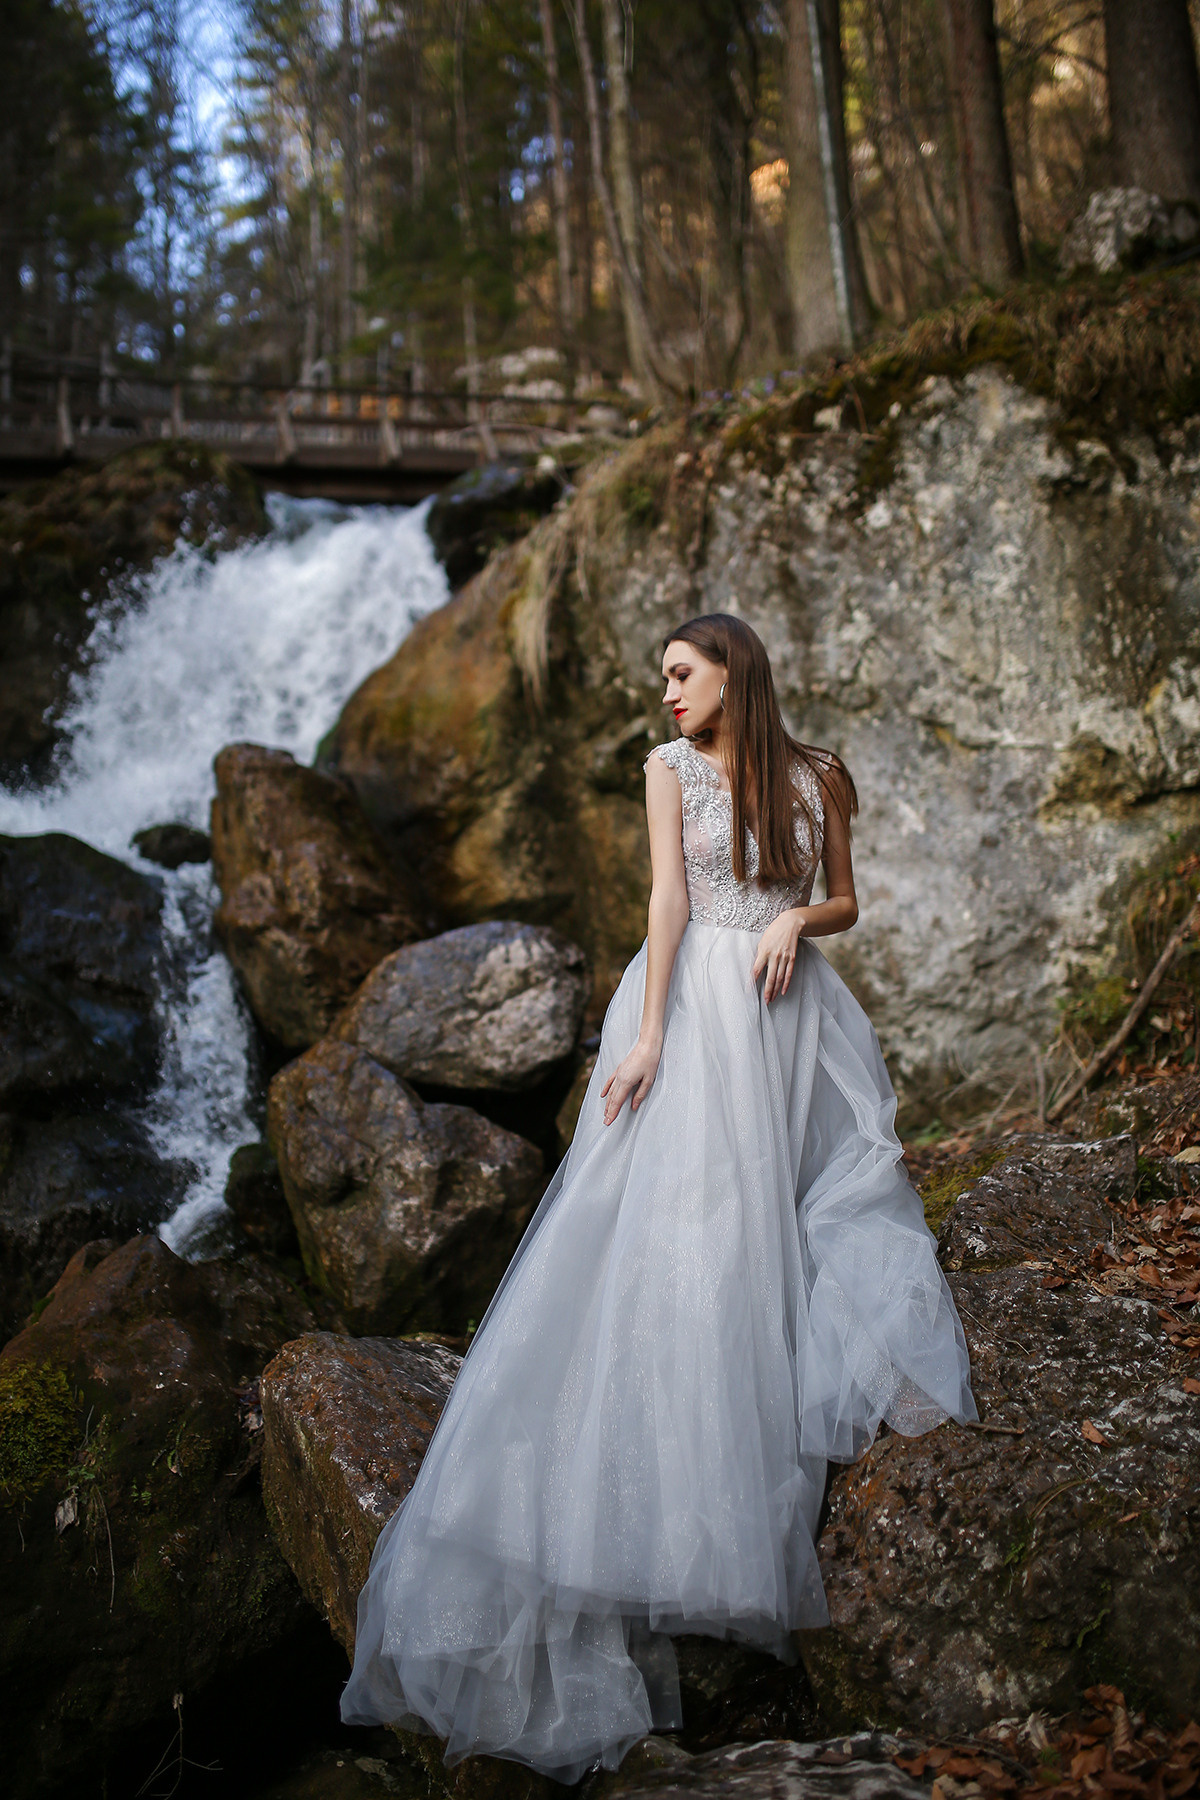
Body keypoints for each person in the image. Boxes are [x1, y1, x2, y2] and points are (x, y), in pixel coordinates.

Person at [340, 612, 977, 1783]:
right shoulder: (666, 769)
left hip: (790, 1011)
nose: (668, 693)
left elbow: (845, 900)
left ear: (734, 669)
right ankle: (644, 1495)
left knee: (782, 1218)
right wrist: (644, 1040)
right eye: (662, 679)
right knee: (679, 1230)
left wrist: (794, 916)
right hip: (692, 1008)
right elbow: (666, 903)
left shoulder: (817, 773)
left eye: (682, 673)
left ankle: (753, 1437)